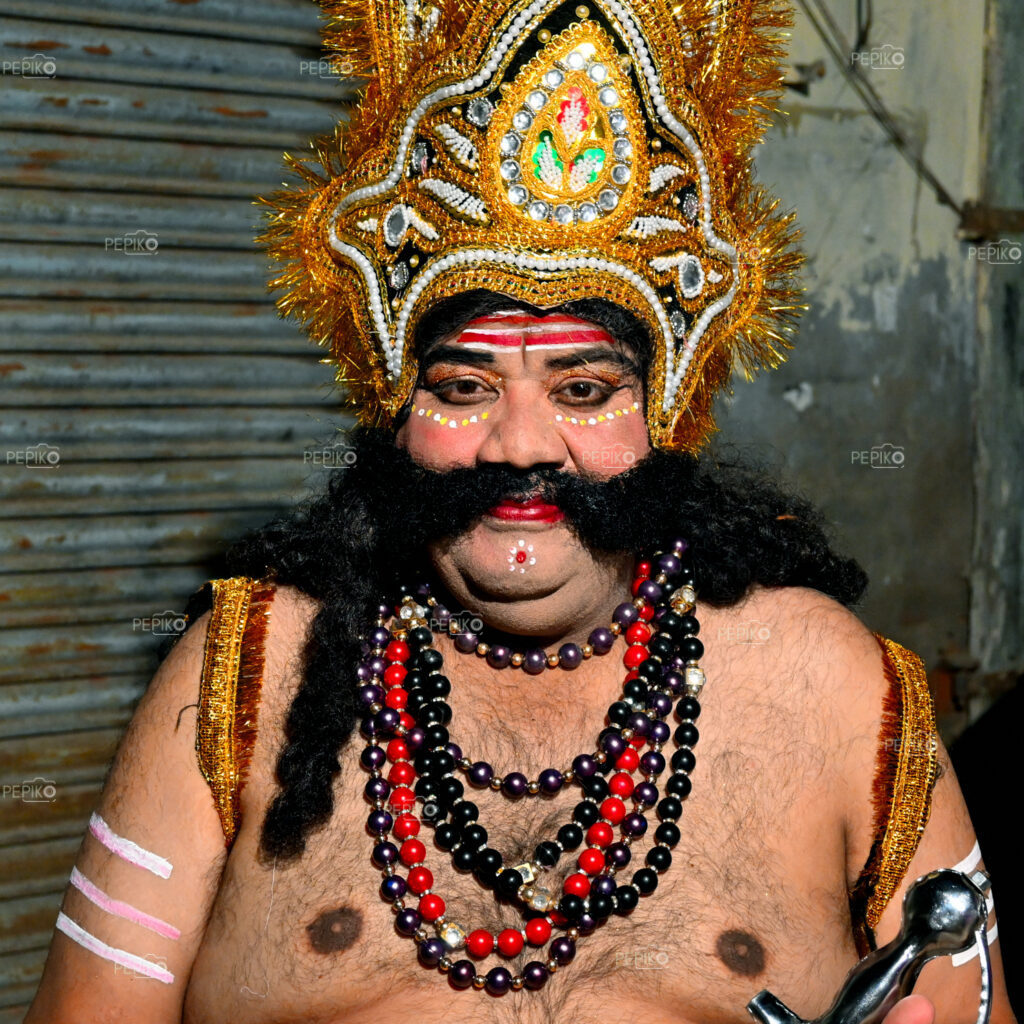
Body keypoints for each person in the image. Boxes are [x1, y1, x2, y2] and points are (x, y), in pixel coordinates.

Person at [25, 0, 1014, 1021]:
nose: (522, 444)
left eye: (583, 391)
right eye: (462, 389)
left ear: (665, 413)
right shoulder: (243, 676)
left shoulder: (837, 691)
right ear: (395, 415)